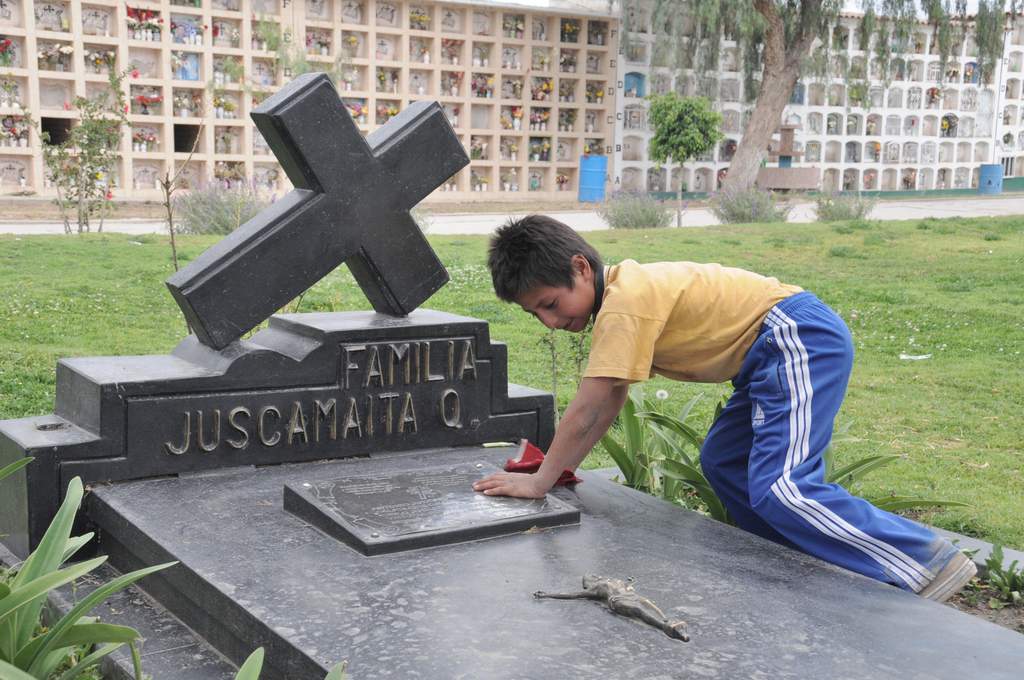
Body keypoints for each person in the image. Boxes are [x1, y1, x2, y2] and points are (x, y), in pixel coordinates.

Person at [473, 215, 975, 602]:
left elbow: (589, 406)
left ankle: (925, 560)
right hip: (763, 360)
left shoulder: (625, 303)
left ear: (581, 268)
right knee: (725, 461)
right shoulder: (617, 301)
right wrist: (563, 470)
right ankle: (792, 560)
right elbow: (609, 401)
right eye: (534, 313)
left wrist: (540, 482)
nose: (548, 321)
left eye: (550, 304)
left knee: (785, 485)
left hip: (795, 338)